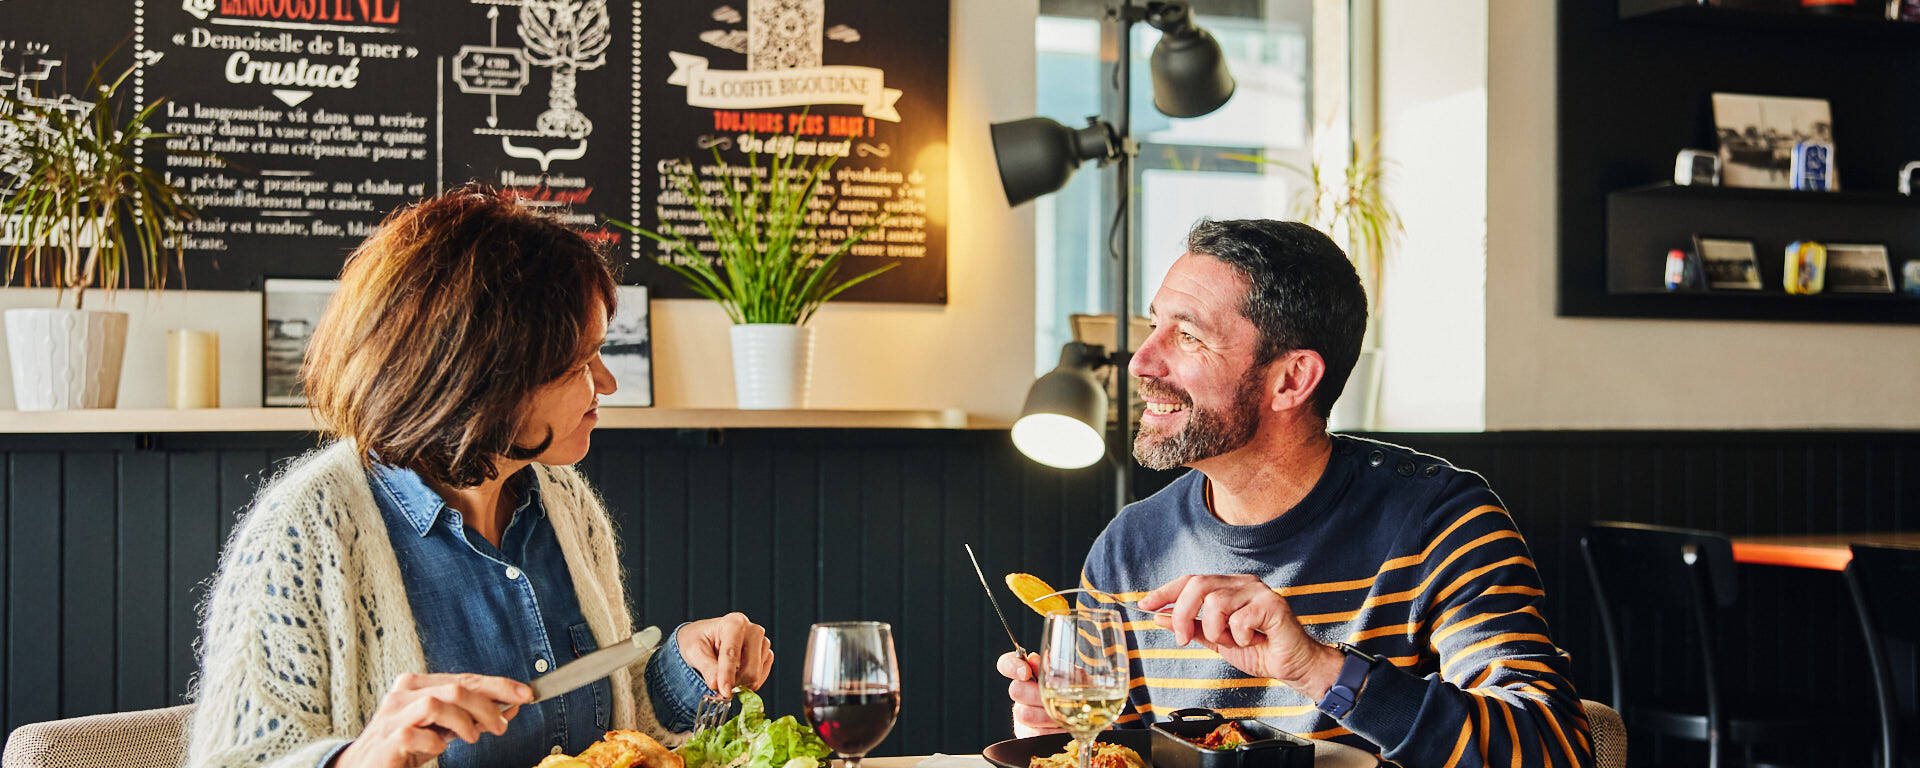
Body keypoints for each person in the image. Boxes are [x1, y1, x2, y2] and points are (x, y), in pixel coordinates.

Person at [186, 187, 774, 768]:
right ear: (483, 383)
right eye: (579, 364)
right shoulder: (301, 535)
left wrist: (687, 667)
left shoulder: (565, 504)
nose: (607, 385)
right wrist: (357, 760)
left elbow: (606, 734)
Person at [997, 219, 1592, 768]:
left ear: (1291, 380)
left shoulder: (1439, 519)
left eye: (1188, 336)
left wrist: (1318, 668)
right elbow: (1128, 754)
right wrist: (1068, 735)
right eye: (1155, 326)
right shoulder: (1132, 545)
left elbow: (1554, 750)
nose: (1142, 361)